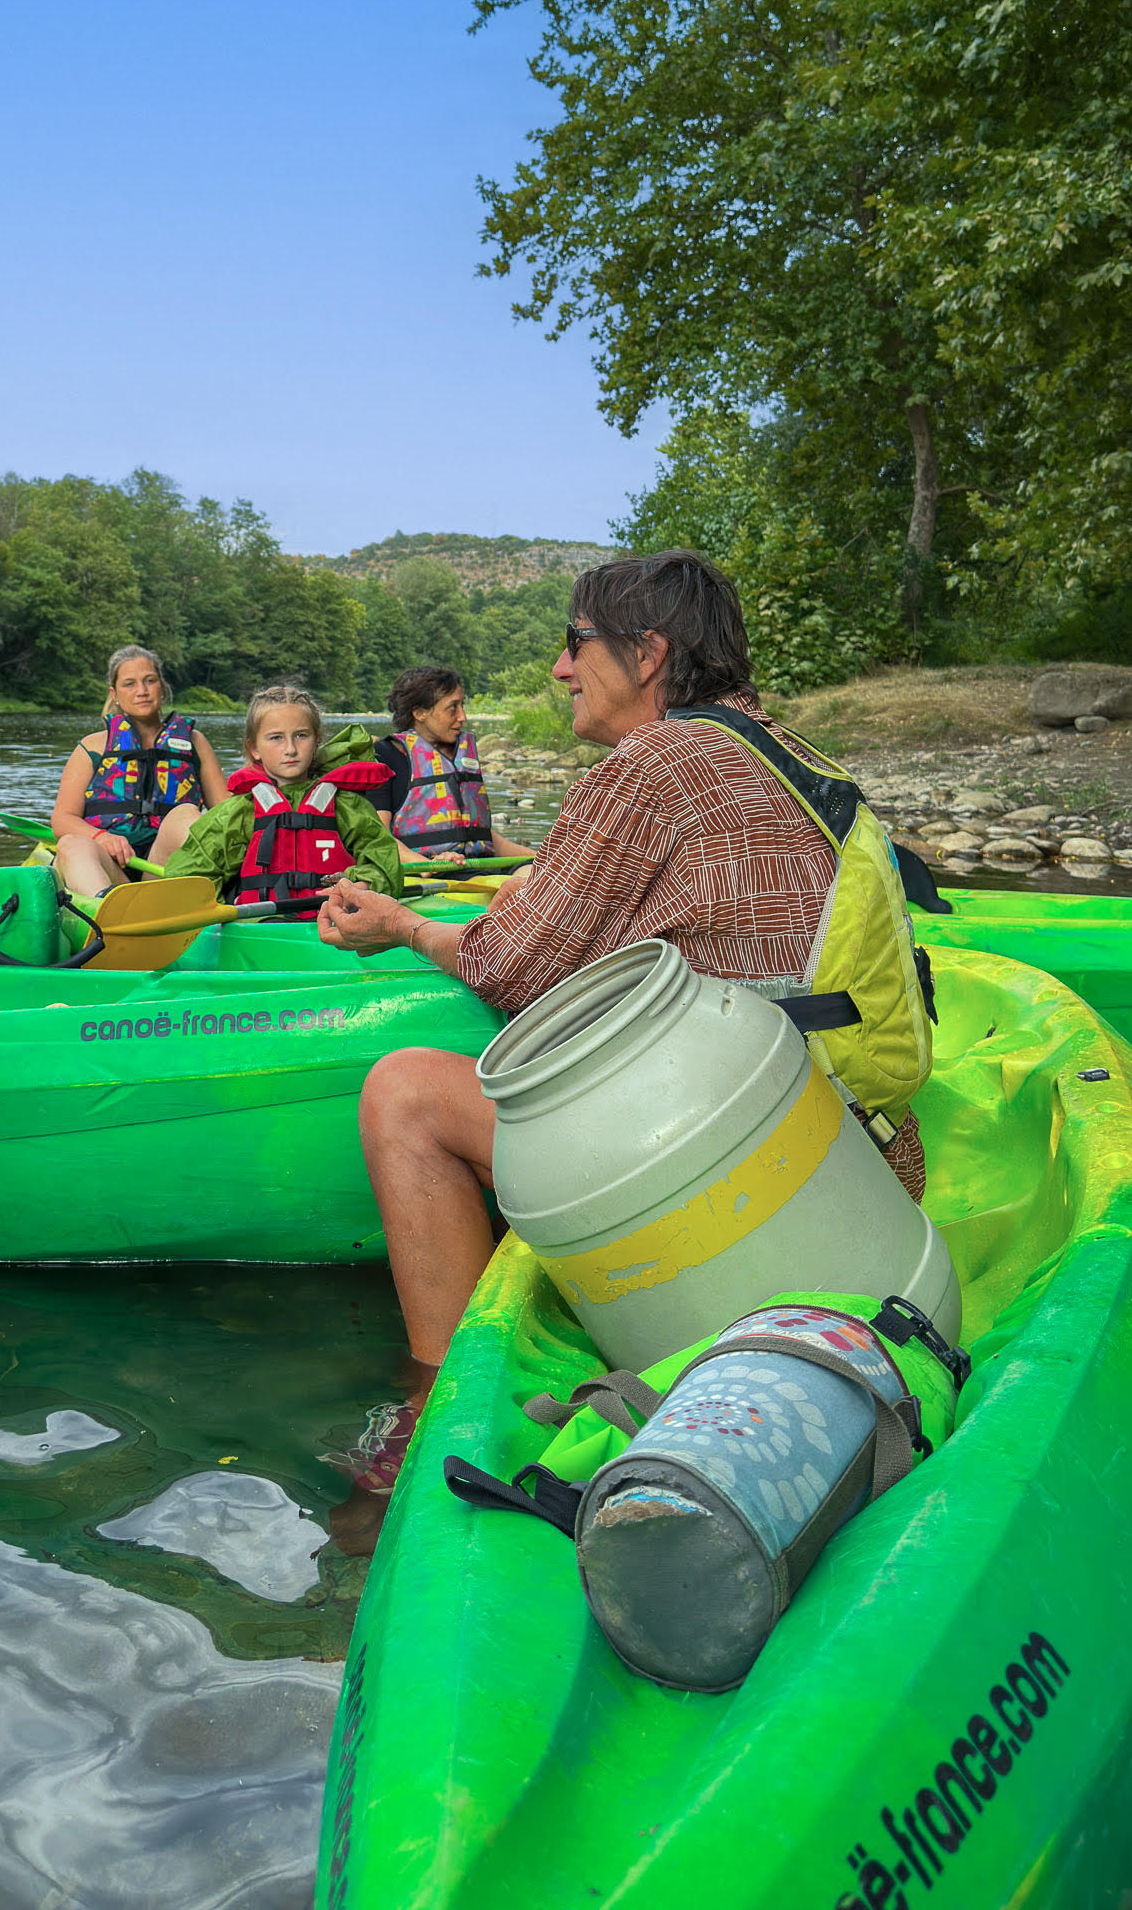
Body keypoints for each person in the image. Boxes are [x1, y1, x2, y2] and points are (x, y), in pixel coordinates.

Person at [316, 550, 933, 1498]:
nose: (562, 669)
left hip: (761, 1185)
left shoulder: (653, 763)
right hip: (869, 1156)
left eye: (575, 643)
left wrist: (401, 925)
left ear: (646, 654)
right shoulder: (784, 749)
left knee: (404, 1094)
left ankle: (435, 1407)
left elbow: (508, 965)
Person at [163, 685, 404, 911]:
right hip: (261, 926)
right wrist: (215, 913)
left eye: (301, 735)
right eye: (276, 738)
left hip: (336, 920)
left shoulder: (348, 805)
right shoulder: (240, 811)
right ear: (254, 749)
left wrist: (363, 885)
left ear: (317, 739)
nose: (290, 749)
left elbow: (383, 863)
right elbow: (189, 872)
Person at [50, 645, 227, 895]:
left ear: (162, 687)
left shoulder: (195, 743)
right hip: (111, 869)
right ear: (115, 693)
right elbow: (62, 819)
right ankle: (107, 915)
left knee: (187, 814)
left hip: (163, 870)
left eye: (150, 681)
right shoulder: (92, 746)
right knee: (70, 844)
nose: (141, 691)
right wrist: (101, 837)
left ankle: (201, 899)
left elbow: (224, 814)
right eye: (129, 684)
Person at [374, 665, 535, 866]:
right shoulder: (385, 756)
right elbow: (377, 837)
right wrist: (427, 865)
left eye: (462, 706)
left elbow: (479, 835)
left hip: (479, 869)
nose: (462, 717)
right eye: (453, 707)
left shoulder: (460, 754)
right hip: (426, 874)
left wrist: (543, 860)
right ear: (420, 713)